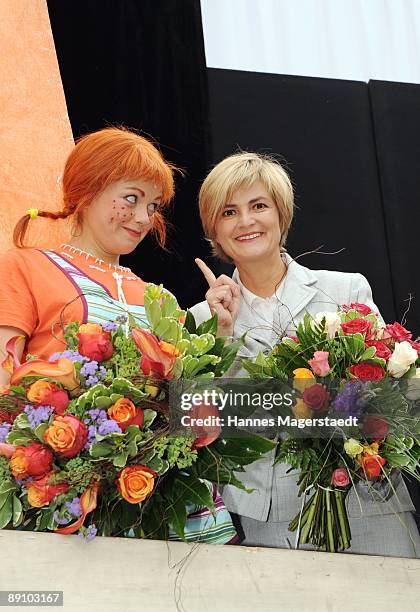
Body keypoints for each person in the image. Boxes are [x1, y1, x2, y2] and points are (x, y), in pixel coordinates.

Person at [0, 126, 236, 544]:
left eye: (153, 205)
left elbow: (188, 401)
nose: (144, 218)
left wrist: (220, 335)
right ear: (87, 189)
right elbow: (5, 387)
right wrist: (39, 466)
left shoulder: (157, 298)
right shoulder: (26, 267)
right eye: (131, 198)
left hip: (161, 498)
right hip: (68, 504)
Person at [190, 151, 420, 557]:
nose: (245, 221)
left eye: (258, 206)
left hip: (366, 502)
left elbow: (394, 397)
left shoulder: (345, 290)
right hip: (269, 520)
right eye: (229, 212)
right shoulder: (201, 319)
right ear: (215, 230)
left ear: (281, 215)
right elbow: (197, 429)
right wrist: (221, 336)